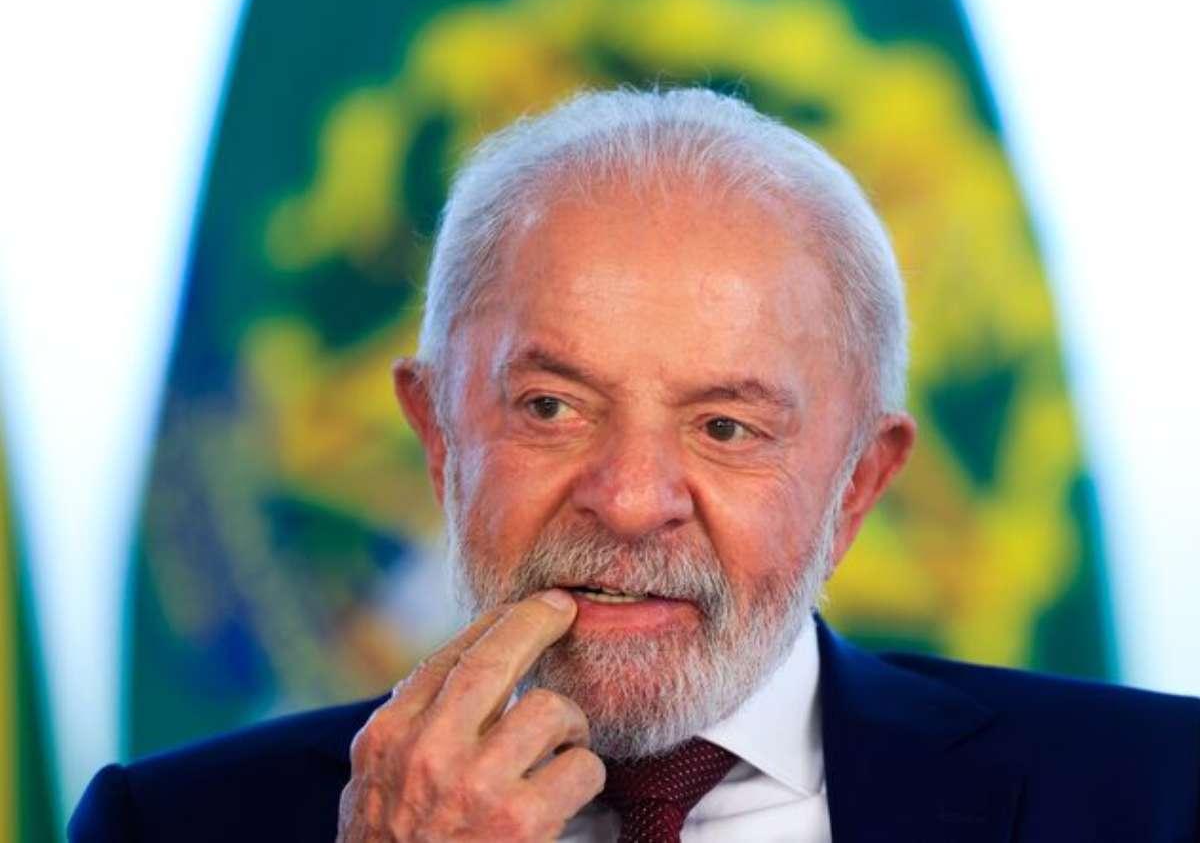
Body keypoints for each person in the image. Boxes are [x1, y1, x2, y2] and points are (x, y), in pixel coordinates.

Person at [70, 89, 1199, 842]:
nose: (628, 500)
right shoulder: (165, 827)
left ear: (859, 483)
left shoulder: (1160, 794)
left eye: (726, 428)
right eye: (552, 408)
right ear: (437, 435)